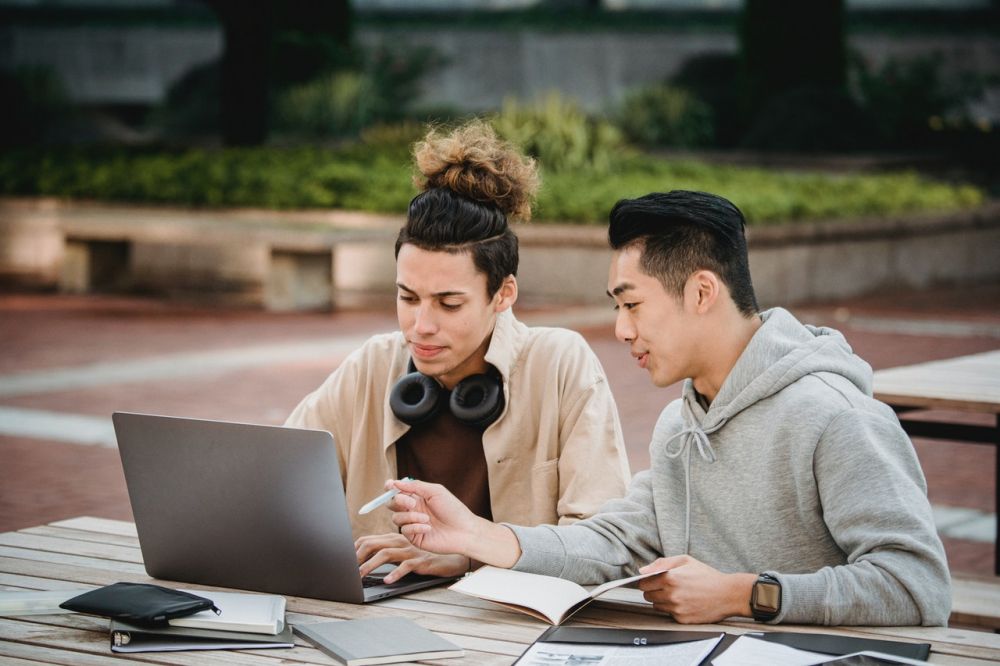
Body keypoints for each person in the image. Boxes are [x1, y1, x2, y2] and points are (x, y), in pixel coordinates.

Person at [384, 190, 952, 626]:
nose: (621, 328)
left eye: (632, 304)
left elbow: (916, 584)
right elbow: (612, 543)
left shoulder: (836, 418)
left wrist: (742, 593)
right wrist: (476, 536)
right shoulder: (681, 425)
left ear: (702, 292)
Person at [285, 120, 631, 581]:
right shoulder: (373, 364)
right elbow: (275, 483)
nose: (420, 326)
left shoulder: (560, 363)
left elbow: (605, 549)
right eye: (407, 298)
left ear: (504, 294)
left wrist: (469, 556)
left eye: (449, 303)